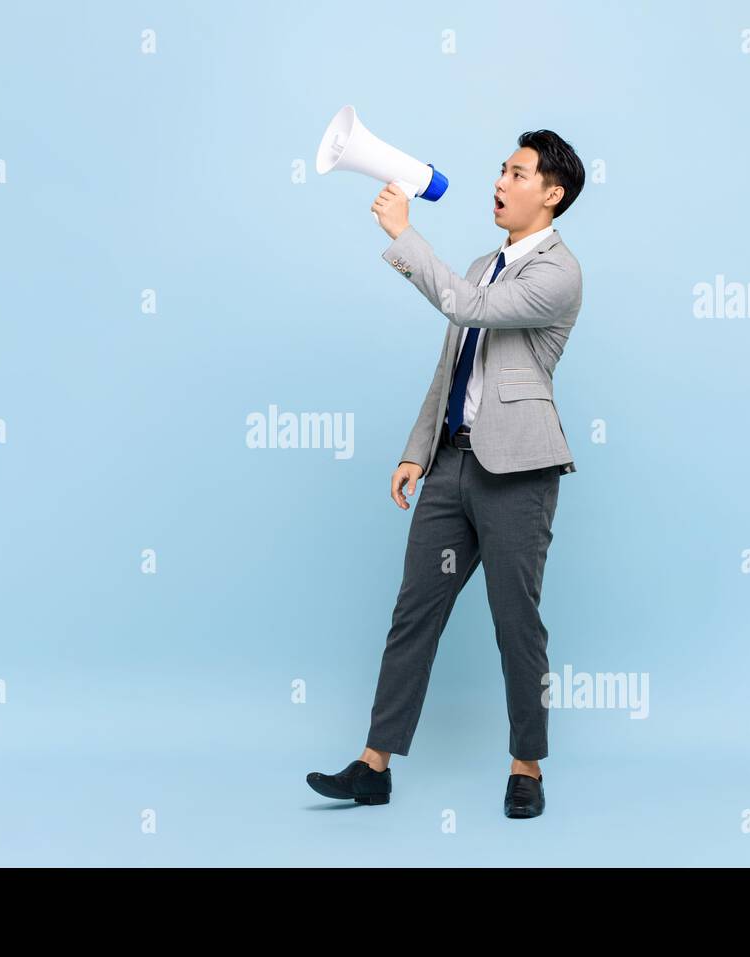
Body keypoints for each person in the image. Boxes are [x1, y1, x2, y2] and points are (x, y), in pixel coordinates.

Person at [306, 130, 586, 818]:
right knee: (414, 613)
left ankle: (528, 767)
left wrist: (405, 236)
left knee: (516, 619)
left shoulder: (558, 272)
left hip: (518, 471)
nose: (501, 180)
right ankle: (375, 764)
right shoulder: (480, 262)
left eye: (517, 173)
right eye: (502, 169)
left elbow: (470, 308)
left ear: (551, 194)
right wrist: (416, 448)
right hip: (451, 463)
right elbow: (452, 363)